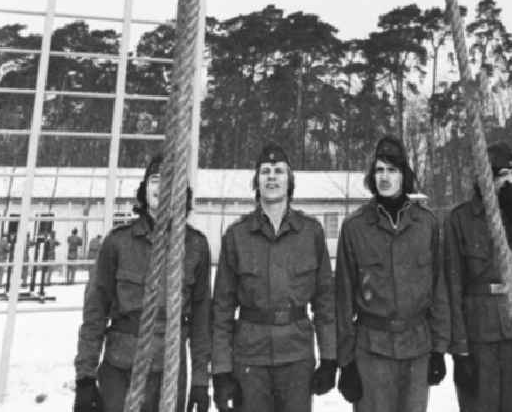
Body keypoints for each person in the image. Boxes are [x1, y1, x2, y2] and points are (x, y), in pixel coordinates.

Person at [73, 155, 211, 412]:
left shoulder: (196, 247)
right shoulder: (118, 243)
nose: (162, 187)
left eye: (171, 181)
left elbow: (202, 322)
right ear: (145, 189)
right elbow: (95, 313)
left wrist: (201, 382)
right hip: (121, 368)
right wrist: (85, 378)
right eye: (155, 180)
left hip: (170, 371)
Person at [211, 142, 336, 412]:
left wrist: (329, 358)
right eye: (265, 171)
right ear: (256, 181)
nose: (271, 177)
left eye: (279, 171)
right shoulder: (237, 236)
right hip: (250, 359)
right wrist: (221, 370)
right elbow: (221, 309)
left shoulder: (310, 232)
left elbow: (325, 302)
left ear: (289, 180)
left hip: (297, 357)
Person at [335, 135, 450, 412]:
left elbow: (439, 290)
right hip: (372, 350)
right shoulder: (355, 228)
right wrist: (346, 362)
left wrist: (439, 350)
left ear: (404, 176)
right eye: (379, 170)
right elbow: (342, 299)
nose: (384, 177)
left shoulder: (427, 225)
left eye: (392, 170)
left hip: (417, 348)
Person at [444, 141, 512, 412]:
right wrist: (461, 350)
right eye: (500, 175)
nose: (508, 182)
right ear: (483, 179)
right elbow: (453, 288)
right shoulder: (460, 220)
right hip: (479, 335)